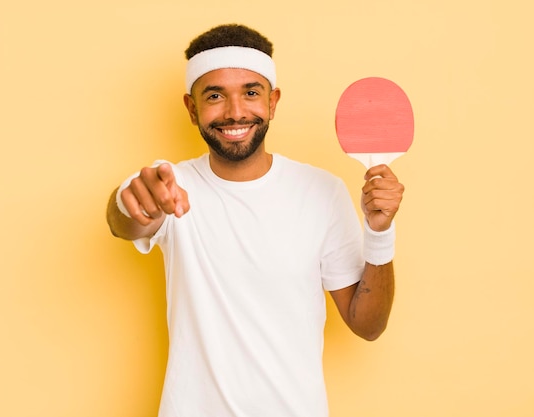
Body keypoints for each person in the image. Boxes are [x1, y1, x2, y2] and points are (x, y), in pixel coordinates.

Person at [106, 24, 405, 417]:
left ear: (273, 101)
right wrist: (135, 205)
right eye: (215, 96)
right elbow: (124, 218)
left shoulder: (322, 192)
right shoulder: (169, 184)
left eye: (251, 92)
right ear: (192, 109)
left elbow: (368, 325)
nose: (235, 112)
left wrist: (379, 233)